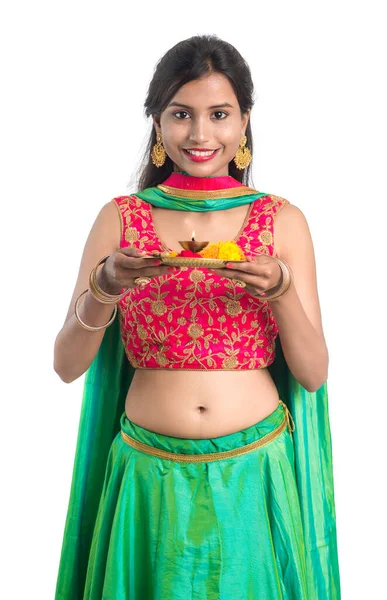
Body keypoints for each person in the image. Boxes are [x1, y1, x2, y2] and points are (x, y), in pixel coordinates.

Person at [54, 34, 341, 599]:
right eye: (181, 114)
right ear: (158, 122)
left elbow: (313, 373)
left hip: (253, 475)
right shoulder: (121, 218)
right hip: (146, 480)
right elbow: (66, 365)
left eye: (219, 114)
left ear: (244, 122)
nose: (201, 134)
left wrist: (281, 290)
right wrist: (105, 287)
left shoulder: (281, 220)